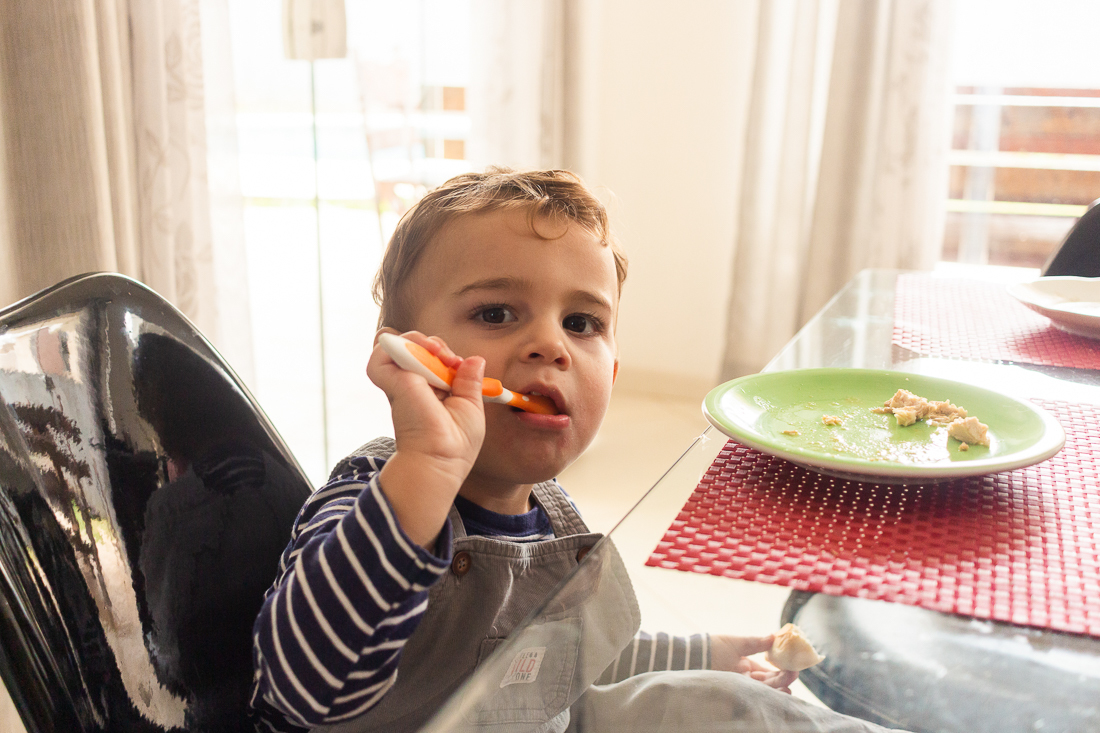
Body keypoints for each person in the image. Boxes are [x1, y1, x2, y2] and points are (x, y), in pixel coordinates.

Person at [250, 168, 903, 733]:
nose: (551, 345)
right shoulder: (374, 493)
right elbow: (303, 686)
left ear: (611, 376)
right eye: (499, 313)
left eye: (582, 323)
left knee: (736, 705)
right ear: (413, 358)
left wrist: (716, 650)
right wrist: (426, 468)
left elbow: (560, 661)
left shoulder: (550, 513)